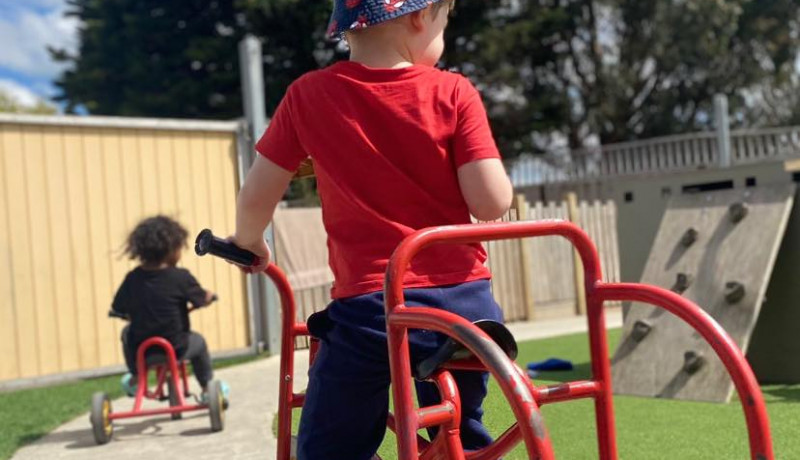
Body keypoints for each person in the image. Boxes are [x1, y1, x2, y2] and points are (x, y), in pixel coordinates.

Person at [232, 0, 513, 458]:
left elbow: (256, 194)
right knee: (459, 418)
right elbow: (491, 203)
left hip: (373, 308)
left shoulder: (308, 95)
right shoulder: (455, 92)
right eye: (445, 23)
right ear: (421, 18)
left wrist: (249, 242)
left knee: (331, 439)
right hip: (468, 309)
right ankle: (458, 440)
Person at [112, 215, 224, 401]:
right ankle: (206, 387)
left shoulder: (132, 279)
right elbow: (200, 299)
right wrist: (209, 297)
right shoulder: (180, 277)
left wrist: (125, 313)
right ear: (171, 249)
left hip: (142, 350)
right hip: (177, 346)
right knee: (200, 343)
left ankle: (136, 374)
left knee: (126, 333)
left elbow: (118, 307)